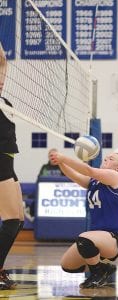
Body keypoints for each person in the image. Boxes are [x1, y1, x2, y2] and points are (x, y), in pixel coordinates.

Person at [50, 150, 118, 289]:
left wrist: (64, 157)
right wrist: (60, 162)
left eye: (111, 159)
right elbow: (74, 175)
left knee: (84, 239)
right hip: (98, 238)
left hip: (116, 239)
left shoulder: (115, 177)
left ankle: (97, 274)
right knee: (67, 266)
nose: (106, 159)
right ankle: (103, 268)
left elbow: (88, 170)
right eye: (105, 158)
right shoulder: (94, 182)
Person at [0, 42, 24, 289]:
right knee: (11, 220)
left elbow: (3, 61)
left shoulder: (2, 97)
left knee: (19, 219)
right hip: (0, 162)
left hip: (8, 159)